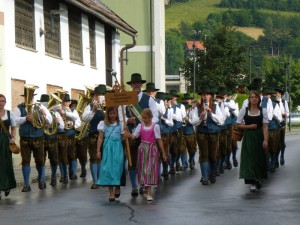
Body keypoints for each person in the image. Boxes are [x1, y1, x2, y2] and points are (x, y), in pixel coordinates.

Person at [125, 73, 158, 196]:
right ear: (132, 85)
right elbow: (120, 114)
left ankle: (143, 184)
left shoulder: (148, 99)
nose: (136, 85)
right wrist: (128, 120)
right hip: (131, 133)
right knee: (132, 161)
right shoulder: (126, 98)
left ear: (141, 84)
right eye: (134, 83)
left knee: (145, 161)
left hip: (145, 135)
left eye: (138, 83)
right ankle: (134, 186)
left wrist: (147, 125)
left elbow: (155, 116)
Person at [14, 86, 53, 192]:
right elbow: (14, 120)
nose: (28, 98)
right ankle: (26, 184)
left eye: (30, 96)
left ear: (33, 96)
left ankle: (41, 180)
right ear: (24, 97)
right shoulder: (19, 108)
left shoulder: (40, 107)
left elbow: (50, 121)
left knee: (40, 160)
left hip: (38, 137)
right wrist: (25, 118)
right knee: (25, 161)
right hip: (25, 138)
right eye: (27, 96)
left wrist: (44, 115)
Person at [125, 109, 166, 201]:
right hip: (142, 149)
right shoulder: (140, 126)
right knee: (143, 170)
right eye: (143, 118)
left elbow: (159, 140)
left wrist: (163, 152)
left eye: (146, 118)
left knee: (150, 170)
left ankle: (149, 192)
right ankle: (144, 187)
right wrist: (128, 134)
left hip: (152, 150)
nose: (144, 120)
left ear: (150, 117)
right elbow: (134, 137)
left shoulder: (155, 127)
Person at [190, 85, 224, 185]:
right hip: (202, 133)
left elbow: (221, 121)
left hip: (213, 132)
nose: (205, 96)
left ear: (211, 96)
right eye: (204, 94)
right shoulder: (197, 108)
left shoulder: (215, 106)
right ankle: (204, 176)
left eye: (207, 94)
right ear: (201, 96)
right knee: (204, 154)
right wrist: (200, 118)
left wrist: (211, 114)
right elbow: (193, 122)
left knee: (213, 155)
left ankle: (212, 173)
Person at [237, 91, 269, 193]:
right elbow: (238, 124)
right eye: (252, 97)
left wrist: (265, 140)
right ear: (249, 99)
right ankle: (252, 182)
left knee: (259, 158)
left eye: (256, 97)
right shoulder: (244, 110)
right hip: (249, 137)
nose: (254, 99)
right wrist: (249, 126)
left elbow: (265, 127)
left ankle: (258, 178)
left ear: (259, 99)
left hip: (259, 136)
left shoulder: (263, 110)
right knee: (249, 159)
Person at [96, 106, 124, 202]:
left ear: (117, 114)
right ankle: (111, 193)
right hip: (107, 148)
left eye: (114, 113)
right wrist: (98, 150)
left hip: (118, 148)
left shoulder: (120, 124)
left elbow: (123, 138)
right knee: (108, 169)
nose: (112, 116)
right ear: (107, 114)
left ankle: (117, 186)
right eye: (110, 113)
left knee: (117, 168)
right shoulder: (103, 124)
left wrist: (126, 133)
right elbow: (100, 137)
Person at [82, 84, 107, 189]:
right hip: (94, 135)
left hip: (106, 134)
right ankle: (95, 181)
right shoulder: (90, 106)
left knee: (104, 157)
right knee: (94, 157)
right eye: (98, 95)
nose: (100, 97)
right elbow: (84, 118)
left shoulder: (109, 105)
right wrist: (93, 111)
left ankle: (102, 179)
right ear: (95, 96)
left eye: (103, 95)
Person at [57, 94, 81, 181]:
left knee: (71, 154)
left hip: (71, 134)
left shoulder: (73, 111)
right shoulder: (58, 110)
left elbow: (76, 119)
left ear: (69, 102)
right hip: (61, 134)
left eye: (67, 102)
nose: (65, 103)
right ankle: (63, 175)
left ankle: (72, 173)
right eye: (64, 102)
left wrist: (65, 113)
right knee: (61, 155)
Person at [0, 94, 17, 199]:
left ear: (5, 102)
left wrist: (13, 138)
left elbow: (14, 128)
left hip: (6, 141)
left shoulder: (10, 114)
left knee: (6, 163)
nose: (1, 102)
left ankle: (7, 186)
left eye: (2, 101)